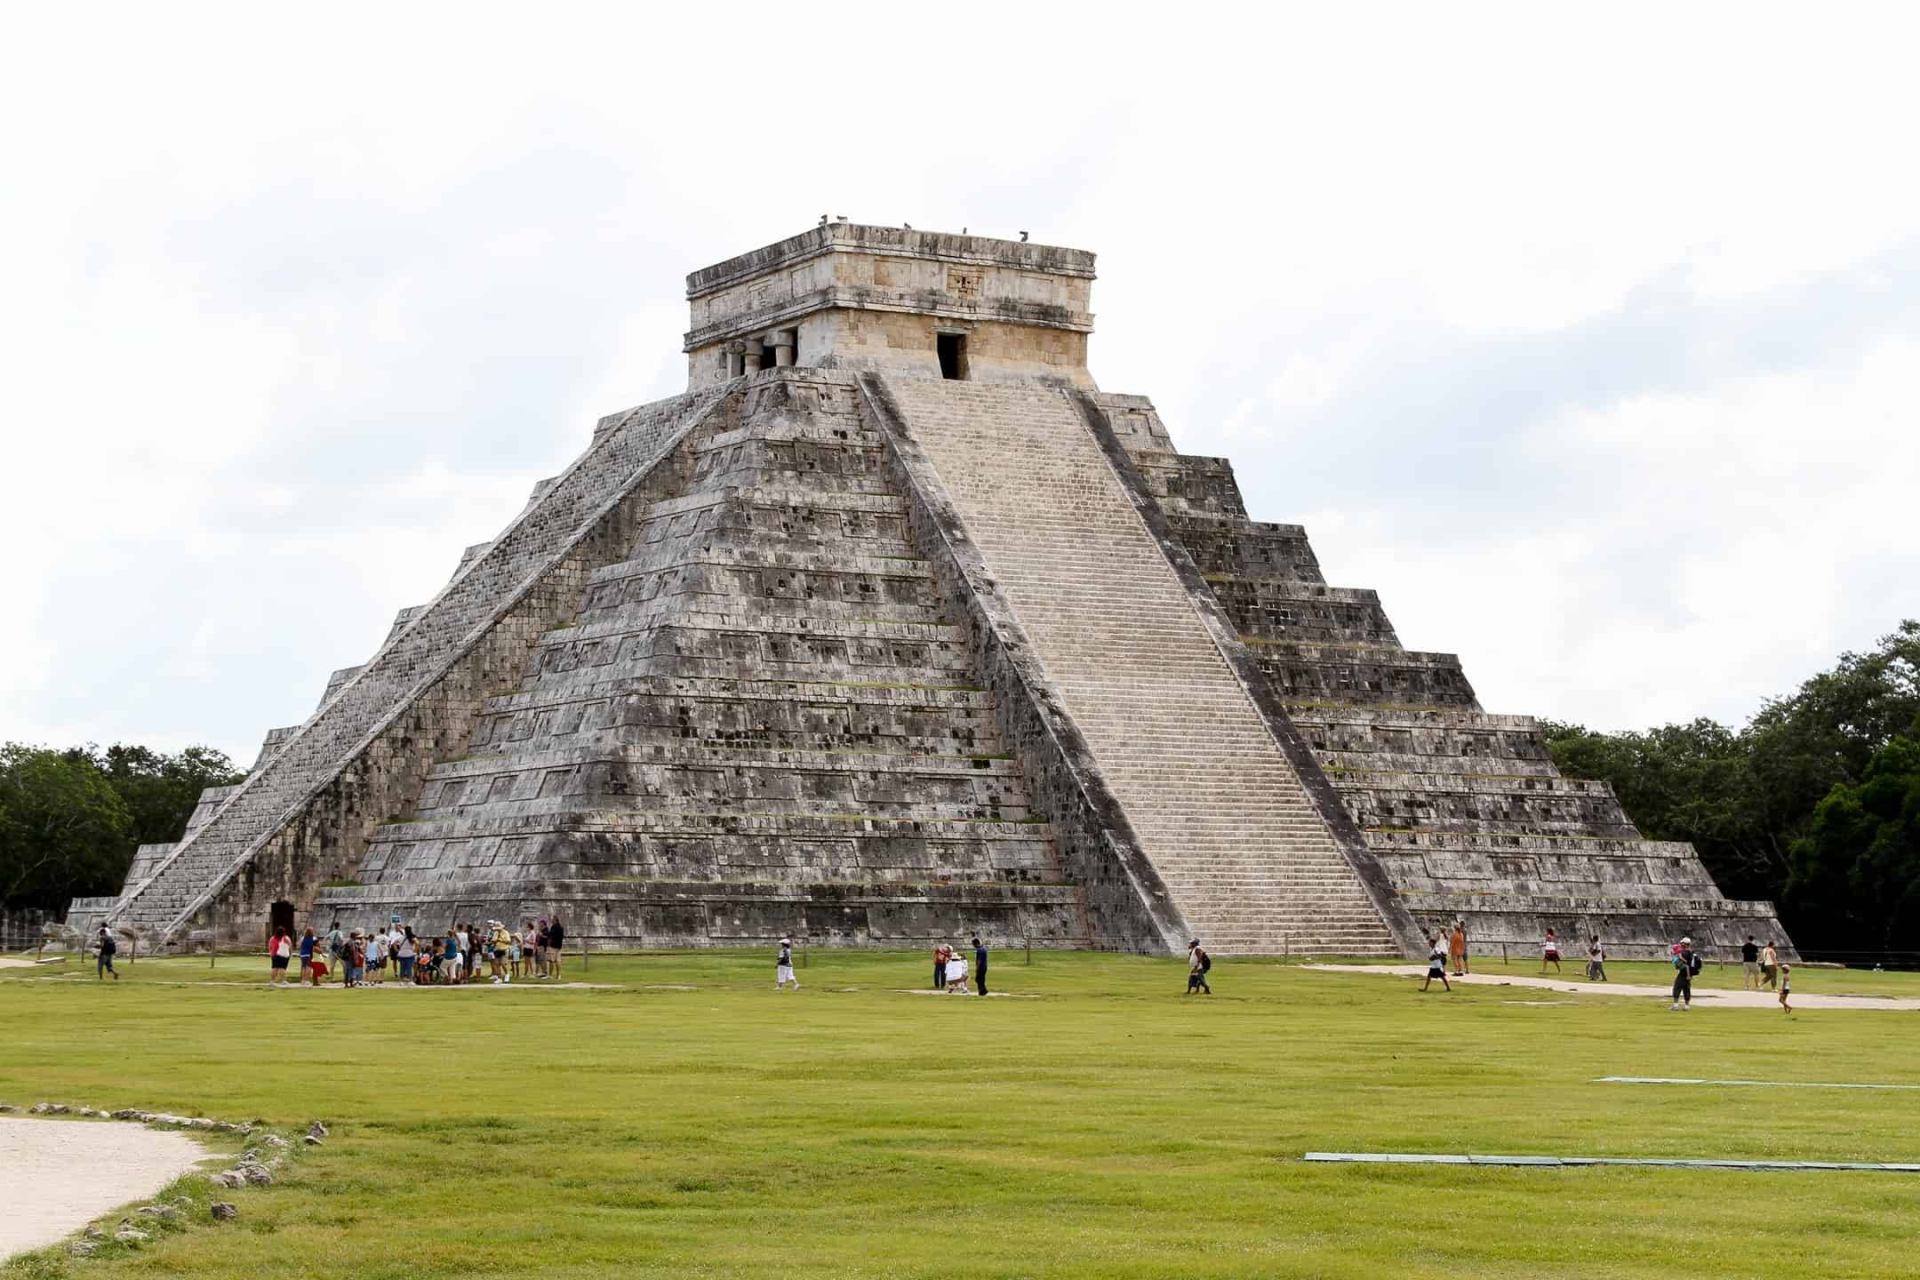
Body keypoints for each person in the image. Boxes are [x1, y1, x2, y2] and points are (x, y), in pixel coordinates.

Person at [1670, 936, 1698, 1010]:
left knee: (1677, 987)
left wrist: (1688, 975)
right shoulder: (1691, 952)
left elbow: (1685, 965)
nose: (1681, 944)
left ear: (1685, 944)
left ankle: (1675, 1005)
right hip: (1689, 974)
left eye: (1682, 943)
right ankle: (1687, 1006)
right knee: (1687, 989)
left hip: (1684, 973)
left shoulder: (1684, 953)